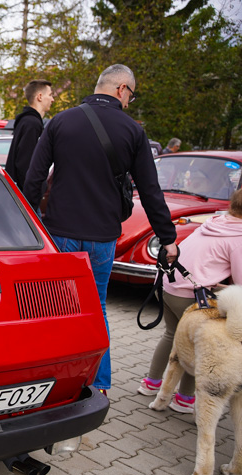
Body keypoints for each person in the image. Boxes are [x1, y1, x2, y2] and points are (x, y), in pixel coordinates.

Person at [22, 63, 178, 395]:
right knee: (97, 307)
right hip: (103, 237)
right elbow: (150, 192)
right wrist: (168, 238)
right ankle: (99, 384)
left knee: (56, 307)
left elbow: (33, 181)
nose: (129, 102)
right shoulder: (133, 131)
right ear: (122, 89)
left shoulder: (60, 121)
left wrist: (26, 227)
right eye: (131, 95)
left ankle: (51, 382)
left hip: (59, 232)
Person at [139, 187, 242, 412]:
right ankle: (184, 399)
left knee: (171, 334)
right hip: (192, 295)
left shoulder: (214, 222)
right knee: (197, 346)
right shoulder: (238, 237)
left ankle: (151, 383)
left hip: (168, 285)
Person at [5, 79, 54, 191]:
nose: (52, 99)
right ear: (40, 97)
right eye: (50, 95)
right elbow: (25, 163)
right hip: (26, 196)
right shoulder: (32, 124)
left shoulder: (26, 121)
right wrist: (32, 195)